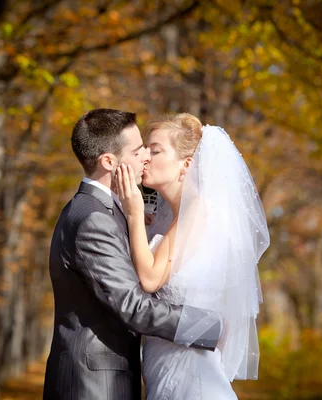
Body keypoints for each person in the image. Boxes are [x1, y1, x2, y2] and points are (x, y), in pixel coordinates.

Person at [43, 109, 225, 400]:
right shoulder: (94, 219)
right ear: (108, 161)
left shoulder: (106, 212)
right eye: (138, 150)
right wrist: (209, 326)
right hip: (93, 385)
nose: (145, 157)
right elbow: (132, 306)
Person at [115, 113, 270, 399]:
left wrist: (134, 213)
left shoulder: (198, 209)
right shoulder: (171, 216)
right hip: (163, 366)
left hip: (191, 377)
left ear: (186, 164)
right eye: (146, 149)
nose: (145, 156)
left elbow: (149, 279)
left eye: (156, 150)